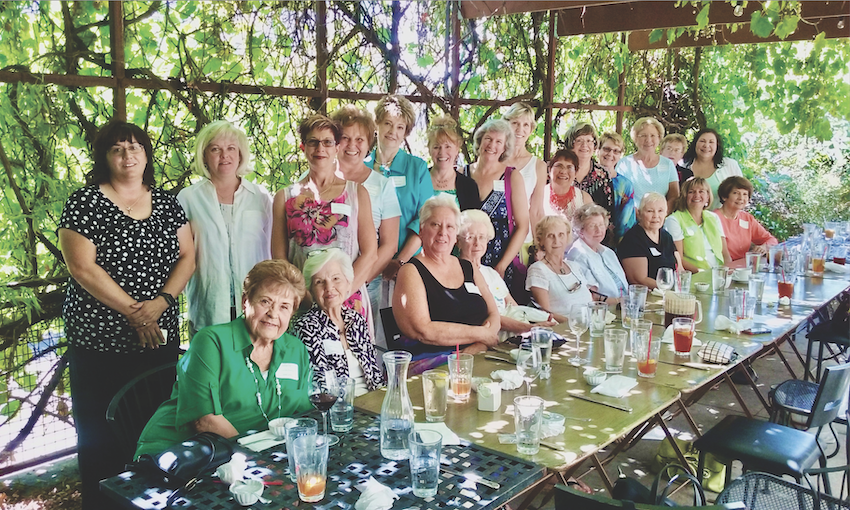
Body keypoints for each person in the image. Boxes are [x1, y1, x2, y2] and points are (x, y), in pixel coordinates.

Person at [58, 120, 195, 509]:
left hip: (157, 344)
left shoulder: (167, 203)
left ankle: (155, 502)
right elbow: (82, 267)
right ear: (105, 157)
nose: (128, 155)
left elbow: (188, 256)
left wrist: (162, 303)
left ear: (147, 154)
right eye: (118, 148)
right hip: (99, 347)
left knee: (156, 432)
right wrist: (137, 314)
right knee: (100, 438)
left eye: (135, 147)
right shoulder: (85, 203)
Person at [135, 259, 312, 458]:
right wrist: (257, 460)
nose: (273, 314)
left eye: (284, 307)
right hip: (184, 454)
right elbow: (205, 421)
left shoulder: (296, 350)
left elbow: (302, 415)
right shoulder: (212, 342)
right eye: (265, 301)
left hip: (250, 456)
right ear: (246, 301)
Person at [271, 114, 377, 320]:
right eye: (313, 142)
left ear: (337, 147)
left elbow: (370, 253)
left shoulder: (357, 194)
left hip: (349, 303)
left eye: (327, 142)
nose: (320, 149)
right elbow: (280, 260)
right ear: (303, 147)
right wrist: (306, 297)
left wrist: (341, 294)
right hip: (303, 304)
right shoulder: (285, 197)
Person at [178, 120, 273, 337]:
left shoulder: (260, 197)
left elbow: (272, 252)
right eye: (215, 149)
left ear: (240, 154)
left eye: (231, 148)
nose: (224, 156)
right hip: (207, 304)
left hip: (256, 307)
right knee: (209, 368)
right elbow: (181, 254)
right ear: (204, 156)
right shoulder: (188, 198)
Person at [392, 195, 500, 373]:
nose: (443, 233)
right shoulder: (411, 271)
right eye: (435, 225)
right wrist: (481, 335)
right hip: (433, 366)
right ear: (421, 230)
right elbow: (424, 330)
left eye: (450, 226)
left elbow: (493, 313)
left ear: (456, 233)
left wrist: (478, 346)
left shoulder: (468, 267)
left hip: (479, 355)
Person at [330, 105, 401, 346]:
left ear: (369, 143)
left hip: (366, 285)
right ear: (335, 142)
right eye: (346, 138)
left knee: (361, 351)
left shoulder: (382, 185)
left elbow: (389, 244)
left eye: (359, 139)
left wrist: (357, 282)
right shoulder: (319, 182)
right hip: (322, 287)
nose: (352, 145)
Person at [293, 248, 385, 397]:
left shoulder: (357, 320)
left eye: (336, 279)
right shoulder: (306, 327)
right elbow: (320, 387)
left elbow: (375, 374)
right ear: (310, 290)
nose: (329, 288)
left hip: (371, 401)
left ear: (348, 283)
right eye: (319, 282)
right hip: (339, 409)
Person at [457, 209, 556, 340]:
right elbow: (485, 317)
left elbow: (514, 307)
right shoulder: (457, 274)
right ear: (458, 241)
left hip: (515, 332)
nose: (477, 243)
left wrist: (539, 321)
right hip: (492, 336)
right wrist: (530, 328)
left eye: (482, 237)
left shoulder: (491, 273)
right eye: (470, 237)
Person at [367, 95, 434, 282]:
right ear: (377, 124)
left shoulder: (417, 168)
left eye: (400, 127)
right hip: (364, 264)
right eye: (388, 123)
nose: (392, 131)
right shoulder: (360, 167)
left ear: (406, 132)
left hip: (407, 265)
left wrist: (400, 261)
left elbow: (425, 220)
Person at [463, 118, 530, 296]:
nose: (492, 145)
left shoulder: (512, 177)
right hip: (465, 259)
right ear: (479, 140)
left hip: (500, 262)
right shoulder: (461, 174)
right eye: (488, 138)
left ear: (504, 148)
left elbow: (523, 226)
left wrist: (502, 265)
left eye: (498, 141)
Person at [526, 215, 594, 323]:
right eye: (550, 236)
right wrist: (574, 324)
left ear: (567, 237)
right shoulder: (538, 270)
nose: (556, 241)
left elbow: (590, 301)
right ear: (540, 240)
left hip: (588, 323)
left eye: (561, 235)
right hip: (564, 329)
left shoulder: (575, 266)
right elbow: (545, 314)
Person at [501, 102, 548, 245]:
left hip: (524, 240)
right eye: (515, 123)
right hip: (492, 237)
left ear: (531, 129)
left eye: (526, 125)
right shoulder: (494, 158)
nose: (520, 129)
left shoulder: (539, 165)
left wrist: (539, 246)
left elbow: (537, 211)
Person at [665, 177, 732, 273]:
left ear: (708, 196)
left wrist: (726, 271)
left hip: (719, 273)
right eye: (691, 192)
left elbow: (725, 253)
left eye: (701, 192)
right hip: (695, 275)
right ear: (684, 196)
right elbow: (678, 259)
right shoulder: (674, 220)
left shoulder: (714, 217)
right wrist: (702, 273)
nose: (697, 195)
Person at [567, 203, 628, 304]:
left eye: (601, 225)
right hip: (604, 310)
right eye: (592, 226)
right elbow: (592, 296)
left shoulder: (608, 252)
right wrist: (620, 302)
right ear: (580, 231)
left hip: (623, 305)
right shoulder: (578, 255)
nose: (598, 230)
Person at [618, 192, 681, 289]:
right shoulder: (633, 239)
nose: (656, 216)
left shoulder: (667, 236)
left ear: (666, 213)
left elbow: (679, 269)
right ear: (639, 214)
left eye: (660, 211)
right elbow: (639, 279)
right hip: (648, 296)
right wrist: (669, 289)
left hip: (670, 292)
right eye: (650, 211)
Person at [616, 117, 679, 213]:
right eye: (643, 135)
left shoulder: (668, 164)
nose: (648, 140)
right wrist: (636, 215)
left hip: (661, 219)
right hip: (631, 218)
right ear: (635, 138)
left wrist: (661, 215)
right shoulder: (624, 164)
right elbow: (618, 195)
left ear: (659, 138)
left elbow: (674, 196)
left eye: (653, 135)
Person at [713, 176, 777, 265]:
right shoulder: (714, 217)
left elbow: (771, 240)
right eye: (736, 193)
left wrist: (763, 247)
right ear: (724, 196)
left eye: (745, 194)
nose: (741, 198)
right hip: (722, 267)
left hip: (744, 267)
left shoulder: (747, 218)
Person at [679, 128, 743, 210]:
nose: (706, 145)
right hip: (687, 219)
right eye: (702, 141)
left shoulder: (729, 165)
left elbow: (742, 193)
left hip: (720, 220)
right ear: (695, 143)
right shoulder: (682, 165)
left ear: (717, 146)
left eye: (711, 142)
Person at [426, 114, 480, 210]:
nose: (442, 152)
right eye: (436, 147)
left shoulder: (469, 186)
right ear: (429, 149)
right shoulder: (417, 181)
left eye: (448, 147)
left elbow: (473, 223)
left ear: (457, 149)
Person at [565, 122, 614, 225]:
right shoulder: (561, 171)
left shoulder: (603, 174)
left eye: (589, 141)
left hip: (594, 232)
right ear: (570, 144)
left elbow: (608, 211)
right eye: (579, 141)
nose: (585, 145)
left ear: (594, 145)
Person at [596, 132, 636, 248]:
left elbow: (626, 222)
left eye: (616, 151)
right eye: (607, 149)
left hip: (616, 243)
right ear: (597, 150)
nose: (610, 154)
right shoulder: (588, 179)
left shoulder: (626, 184)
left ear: (620, 155)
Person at [535, 148, 593, 227]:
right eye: (559, 166)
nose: (563, 171)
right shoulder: (538, 195)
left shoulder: (584, 199)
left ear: (576, 173)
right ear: (549, 169)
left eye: (569, 167)